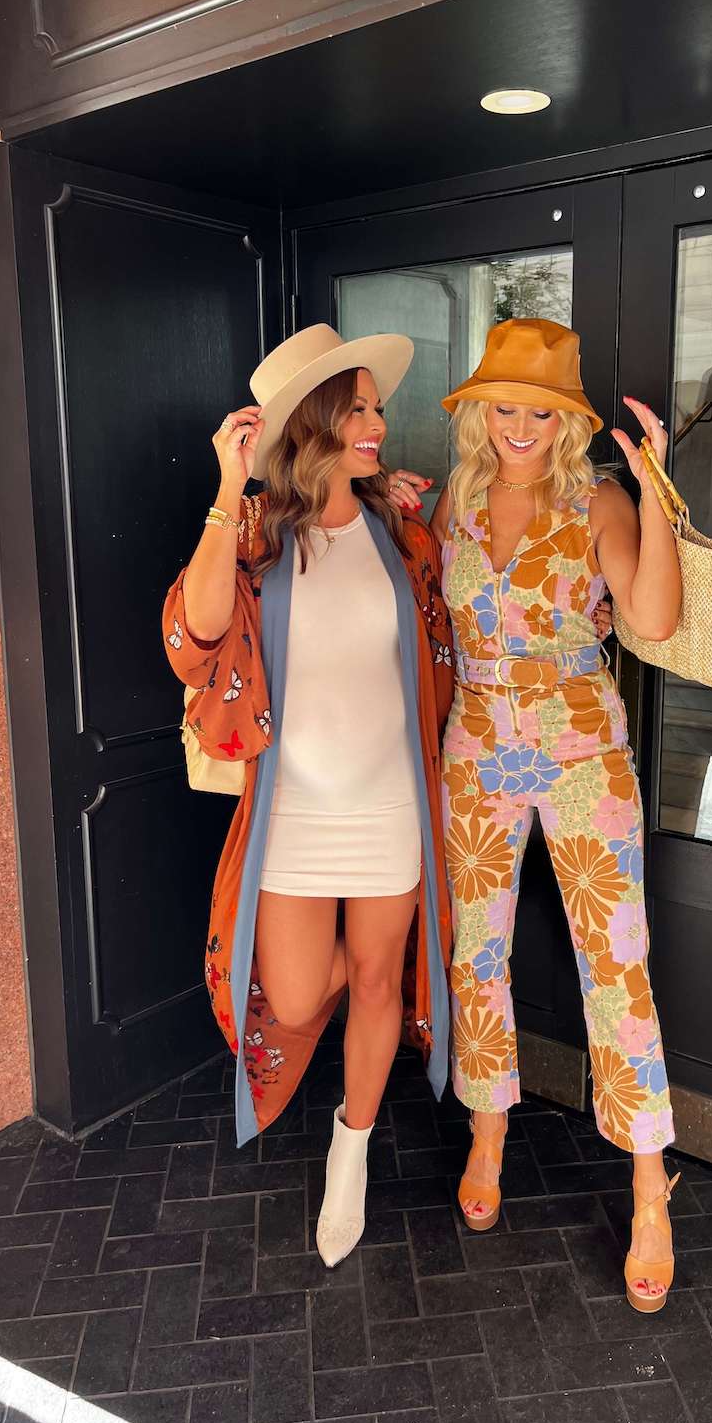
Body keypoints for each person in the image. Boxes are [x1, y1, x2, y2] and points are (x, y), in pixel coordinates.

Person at [162, 324, 454, 1267]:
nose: (377, 423)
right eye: (358, 408)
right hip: (292, 814)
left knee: (376, 981)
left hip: (388, 808)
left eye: (376, 406)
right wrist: (224, 489)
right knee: (290, 994)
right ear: (315, 423)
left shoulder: (400, 531)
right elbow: (193, 638)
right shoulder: (254, 536)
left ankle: (352, 1149)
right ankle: (341, 1126)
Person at [426, 317, 683, 1312]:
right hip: (479, 744)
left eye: (538, 411)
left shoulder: (598, 499)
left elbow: (653, 622)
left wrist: (654, 486)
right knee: (476, 952)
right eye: (504, 408)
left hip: (582, 744)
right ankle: (489, 1128)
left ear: (565, 418)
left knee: (615, 967)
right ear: (478, 412)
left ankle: (650, 1187)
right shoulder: (456, 497)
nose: (519, 427)